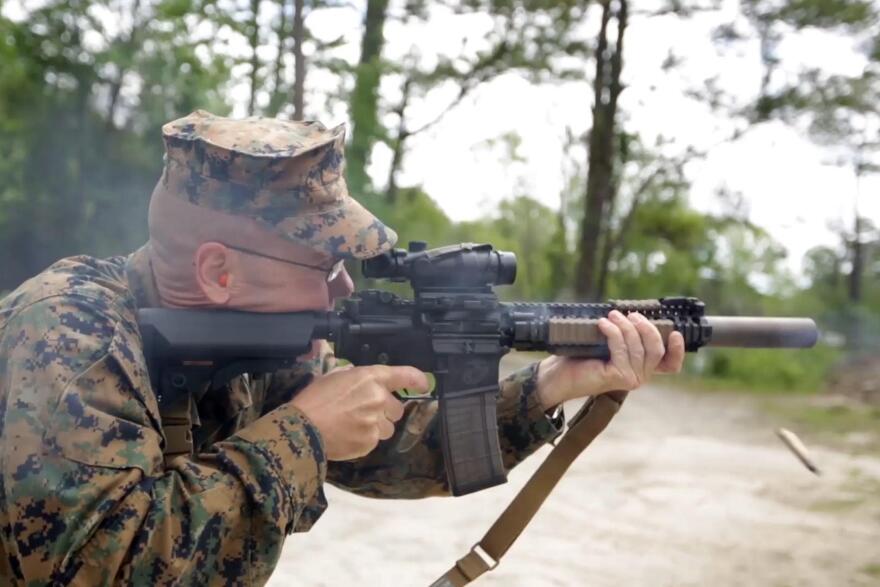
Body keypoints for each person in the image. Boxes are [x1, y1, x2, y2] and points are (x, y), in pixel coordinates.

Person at [0, 110, 685, 585]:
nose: (343, 285)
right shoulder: (67, 328)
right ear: (218, 272)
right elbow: (95, 567)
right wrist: (302, 434)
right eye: (323, 261)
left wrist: (549, 387)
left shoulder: (257, 345)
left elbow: (392, 447)